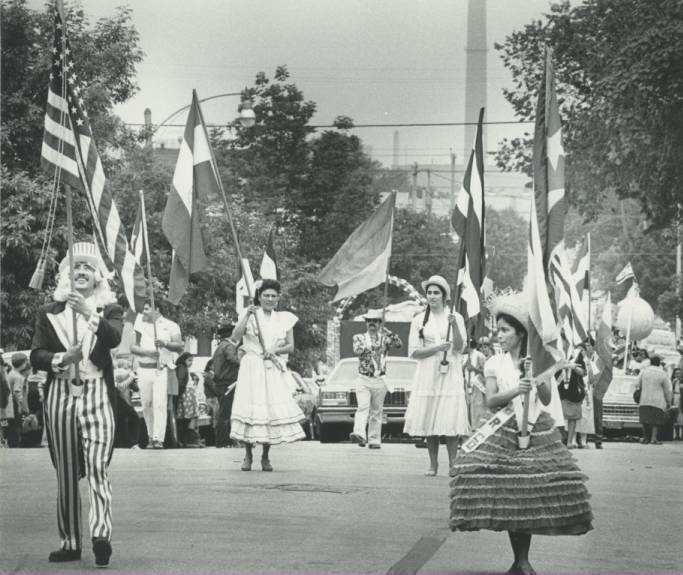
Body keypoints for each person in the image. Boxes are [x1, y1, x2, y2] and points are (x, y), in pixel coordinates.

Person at [449, 292, 593, 575]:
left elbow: (547, 395)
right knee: (511, 494)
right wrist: (518, 389)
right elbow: (491, 400)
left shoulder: (536, 361)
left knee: (528, 494)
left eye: (504, 330)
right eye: (497, 330)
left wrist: (535, 376)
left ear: (519, 333)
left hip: (536, 429)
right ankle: (520, 560)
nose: (498, 336)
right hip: (502, 430)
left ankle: (522, 560)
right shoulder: (494, 363)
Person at [30, 241, 122, 567]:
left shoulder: (109, 309)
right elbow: (36, 354)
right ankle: (69, 542)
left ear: (98, 276)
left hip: (97, 393)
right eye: (74, 268)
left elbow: (113, 339)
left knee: (98, 466)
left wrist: (89, 313)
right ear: (65, 276)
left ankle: (101, 535)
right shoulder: (49, 311)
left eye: (87, 268)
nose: (80, 272)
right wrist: (60, 357)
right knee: (66, 471)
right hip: (60, 394)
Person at [230, 279, 305, 471]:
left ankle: (265, 456)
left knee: (268, 409)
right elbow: (236, 337)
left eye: (273, 296)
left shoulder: (285, 318)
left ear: (278, 298)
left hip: (271, 365)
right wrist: (247, 314)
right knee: (251, 407)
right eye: (266, 296)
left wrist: (274, 350)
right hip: (251, 365)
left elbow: (290, 346)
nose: (270, 299)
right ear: (259, 297)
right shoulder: (250, 315)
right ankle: (247, 455)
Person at [404, 275, 470, 476]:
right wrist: (436, 348)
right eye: (429, 293)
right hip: (428, 372)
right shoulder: (418, 320)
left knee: (450, 418)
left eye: (436, 293)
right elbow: (414, 352)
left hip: (450, 371)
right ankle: (433, 464)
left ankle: (453, 464)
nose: (432, 297)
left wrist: (455, 326)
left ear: (444, 296)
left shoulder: (455, 317)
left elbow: (460, 347)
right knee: (429, 418)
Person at [130, 302, 184, 449]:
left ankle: (158, 438)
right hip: (143, 369)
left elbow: (179, 346)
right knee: (147, 405)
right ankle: (149, 435)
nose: (144, 312)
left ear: (157, 309)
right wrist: (147, 352)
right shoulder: (139, 324)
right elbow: (133, 347)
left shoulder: (171, 325)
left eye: (147, 309)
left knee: (159, 404)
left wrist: (165, 343)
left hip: (161, 368)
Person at [348, 309, 403, 449]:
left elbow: (399, 344)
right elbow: (358, 351)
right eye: (369, 321)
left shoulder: (385, 338)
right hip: (364, 378)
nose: (371, 323)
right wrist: (372, 346)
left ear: (380, 323)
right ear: (366, 323)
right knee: (363, 407)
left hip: (380, 378)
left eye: (375, 321)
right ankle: (359, 434)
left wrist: (388, 332)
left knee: (377, 411)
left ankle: (374, 439)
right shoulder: (359, 337)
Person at [211, 323, 241, 447]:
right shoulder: (228, 346)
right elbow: (233, 360)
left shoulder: (219, 346)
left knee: (223, 412)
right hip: (227, 383)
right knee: (226, 413)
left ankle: (222, 440)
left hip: (220, 383)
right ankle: (223, 441)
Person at [636, 354, 672, 445]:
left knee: (645, 420)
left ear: (650, 362)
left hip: (644, 399)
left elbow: (637, 384)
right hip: (658, 400)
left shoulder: (643, 372)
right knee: (656, 421)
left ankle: (645, 438)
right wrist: (669, 402)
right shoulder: (663, 374)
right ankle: (653, 439)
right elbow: (667, 390)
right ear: (659, 363)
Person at [557, 344, 586, 449]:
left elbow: (583, 372)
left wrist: (573, 367)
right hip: (559, 387)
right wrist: (563, 366)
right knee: (558, 416)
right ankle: (559, 440)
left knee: (572, 417)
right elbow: (550, 369)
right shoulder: (556, 352)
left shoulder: (578, 354)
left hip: (573, 388)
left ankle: (569, 441)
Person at [175, 352, 202, 447]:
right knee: (185, 419)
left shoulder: (183, 368)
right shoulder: (182, 368)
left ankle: (182, 440)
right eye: (189, 360)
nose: (191, 363)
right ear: (184, 360)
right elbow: (180, 382)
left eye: (192, 361)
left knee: (184, 420)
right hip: (186, 396)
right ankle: (183, 440)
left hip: (186, 396)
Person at [113, 358, 140, 448]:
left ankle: (126, 443)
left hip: (121, 400)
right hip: (121, 400)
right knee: (133, 418)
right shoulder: (122, 373)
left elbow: (135, 388)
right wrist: (131, 376)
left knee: (121, 422)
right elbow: (121, 386)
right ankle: (132, 442)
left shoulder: (122, 374)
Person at [464, 338, 488, 431]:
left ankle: (477, 428)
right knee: (467, 407)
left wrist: (474, 369)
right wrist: (465, 366)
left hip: (477, 385)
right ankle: (469, 430)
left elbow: (486, 371)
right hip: (467, 384)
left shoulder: (480, 355)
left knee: (477, 408)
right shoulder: (465, 356)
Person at [671, 367, 682, 440]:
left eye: (679, 373)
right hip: (675, 398)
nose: (678, 374)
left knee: (681, 416)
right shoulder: (673, 381)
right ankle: (677, 434)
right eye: (676, 373)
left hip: (681, 398)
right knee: (675, 416)